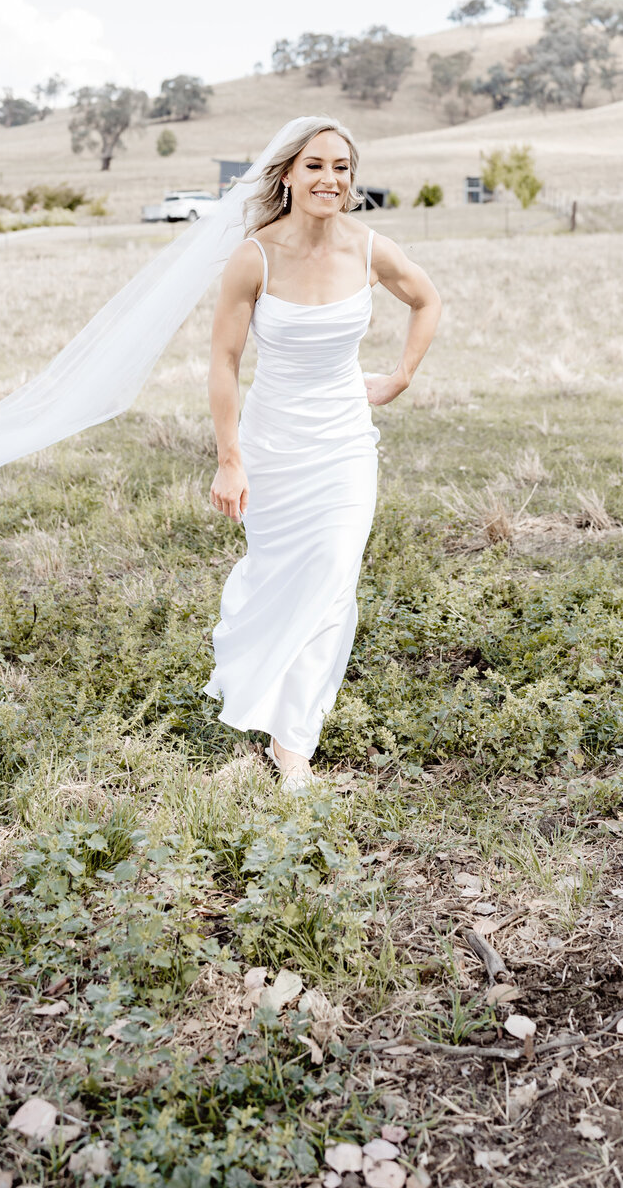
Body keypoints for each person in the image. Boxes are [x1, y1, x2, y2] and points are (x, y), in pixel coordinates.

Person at [204, 117, 440, 788]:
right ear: (287, 175)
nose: (329, 179)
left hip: (342, 442)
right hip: (272, 442)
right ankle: (263, 697)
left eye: (341, 168)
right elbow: (224, 361)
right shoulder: (255, 255)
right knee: (279, 578)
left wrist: (401, 374)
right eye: (315, 166)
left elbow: (427, 299)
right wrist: (229, 456)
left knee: (335, 577)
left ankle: (292, 747)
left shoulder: (369, 249)